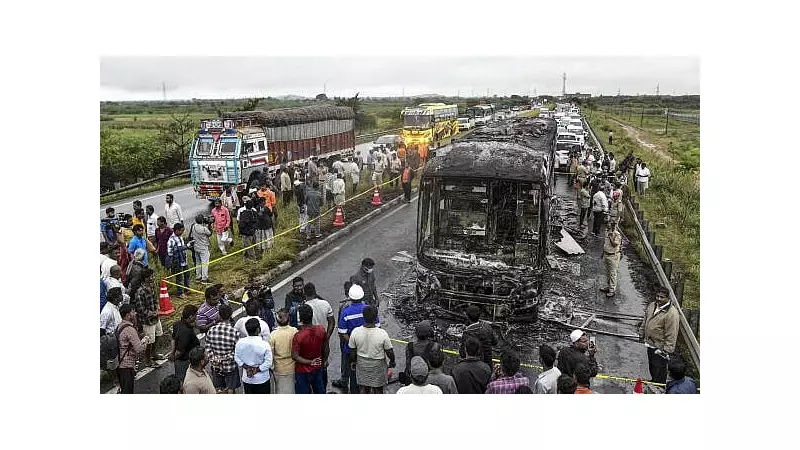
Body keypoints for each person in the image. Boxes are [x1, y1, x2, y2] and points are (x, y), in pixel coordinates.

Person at [333, 284, 374, 393]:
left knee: (353, 373)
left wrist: (353, 343)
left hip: (350, 349)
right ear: (362, 296)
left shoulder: (346, 311)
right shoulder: (368, 309)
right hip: (367, 347)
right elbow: (376, 327)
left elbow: (342, 332)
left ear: (350, 297)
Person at [348, 305, 394, 394]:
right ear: (376, 317)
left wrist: (353, 362)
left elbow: (352, 352)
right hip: (378, 366)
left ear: (363, 316)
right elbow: (389, 351)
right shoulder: (382, 333)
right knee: (378, 389)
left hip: (362, 364)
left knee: (364, 388)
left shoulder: (355, 332)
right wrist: (392, 361)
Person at [639, 287, 680, 384]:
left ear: (668, 298)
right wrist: (641, 333)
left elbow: (672, 333)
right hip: (650, 343)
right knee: (652, 365)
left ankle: (659, 386)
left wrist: (666, 350)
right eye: (657, 296)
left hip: (660, 348)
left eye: (662, 297)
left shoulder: (672, 314)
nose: (659, 299)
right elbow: (645, 320)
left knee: (659, 369)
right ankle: (653, 381)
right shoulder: (652, 305)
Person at [204, 304, 241, 394]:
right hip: (230, 366)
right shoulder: (234, 332)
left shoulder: (211, 330)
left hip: (216, 366)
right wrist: (224, 358)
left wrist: (215, 358)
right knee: (230, 388)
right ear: (231, 315)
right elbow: (237, 351)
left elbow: (207, 348)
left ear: (219, 315)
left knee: (218, 388)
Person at [292, 304, 329, 394]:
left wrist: (310, 362)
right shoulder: (321, 330)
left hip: (302, 371)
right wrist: (324, 361)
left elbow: (295, 356)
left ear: (300, 318)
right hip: (318, 367)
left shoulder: (298, 336)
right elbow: (326, 348)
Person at [116, 304, 151, 393]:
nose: (135, 313)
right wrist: (146, 340)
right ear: (128, 315)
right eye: (133, 312)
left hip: (120, 364)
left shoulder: (119, 326)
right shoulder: (130, 329)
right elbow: (139, 349)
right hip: (127, 366)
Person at [235, 318, 274, 394]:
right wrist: (257, 370)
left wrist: (246, 367)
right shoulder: (264, 344)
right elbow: (268, 362)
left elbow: (237, 357)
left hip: (247, 378)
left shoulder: (240, 342)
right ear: (258, 330)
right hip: (262, 379)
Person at [134, 267, 164, 368]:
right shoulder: (140, 292)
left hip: (156, 318)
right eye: (151, 276)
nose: (153, 277)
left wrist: (157, 309)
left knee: (159, 335)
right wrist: (152, 313)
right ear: (146, 278)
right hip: (147, 321)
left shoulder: (151, 286)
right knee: (149, 341)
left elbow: (155, 299)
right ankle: (147, 360)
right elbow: (140, 309)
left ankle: (154, 354)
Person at [269, 308, 298, 394]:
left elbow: (270, 354)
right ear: (289, 319)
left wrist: (271, 368)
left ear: (277, 320)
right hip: (293, 367)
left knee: (280, 390)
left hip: (279, 369)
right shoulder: (295, 331)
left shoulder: (273, 335)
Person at [170, 305, 200, 382]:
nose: (196, 317)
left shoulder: (177, 324)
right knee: (184, 381)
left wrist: (172, 353)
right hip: (185, 361)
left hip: (179, 360)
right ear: (190, 317)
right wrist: (173, 357)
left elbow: (173, 338)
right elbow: (180, 351)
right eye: (195, 315)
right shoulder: (186, 332)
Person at [166, 223, 190, 298]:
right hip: (177, 261)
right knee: (179, 277)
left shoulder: (180, 237)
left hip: (184, 260)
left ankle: (186, 288)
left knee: (187, 274)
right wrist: (183, 248)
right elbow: (170, 252)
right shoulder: (171, 240)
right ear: (176, 230)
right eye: (181, 230)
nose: (182, 232)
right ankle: (180, 293)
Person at [188, 214, 212, 284]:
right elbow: (210, 233)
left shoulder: (193, 226)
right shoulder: (203, 229)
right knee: (205, 263)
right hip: (203, 248)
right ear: (202, 220)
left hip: (196, 247)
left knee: (198, 262)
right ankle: (204, 279)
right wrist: (209, 224)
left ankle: (198, 277)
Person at [601, 221, 623, 298]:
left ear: (613, 227)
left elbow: (614, 245)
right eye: (607, 226)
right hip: (606, 254)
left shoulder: (617, 235)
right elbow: (605, 244)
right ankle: (608, 286)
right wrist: (602, 253)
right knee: (607, 272)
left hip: (613, 256)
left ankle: (612, 290)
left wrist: (611, 237)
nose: (608, 228)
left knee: (612, 273)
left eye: (609, 227)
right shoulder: (606, 232)